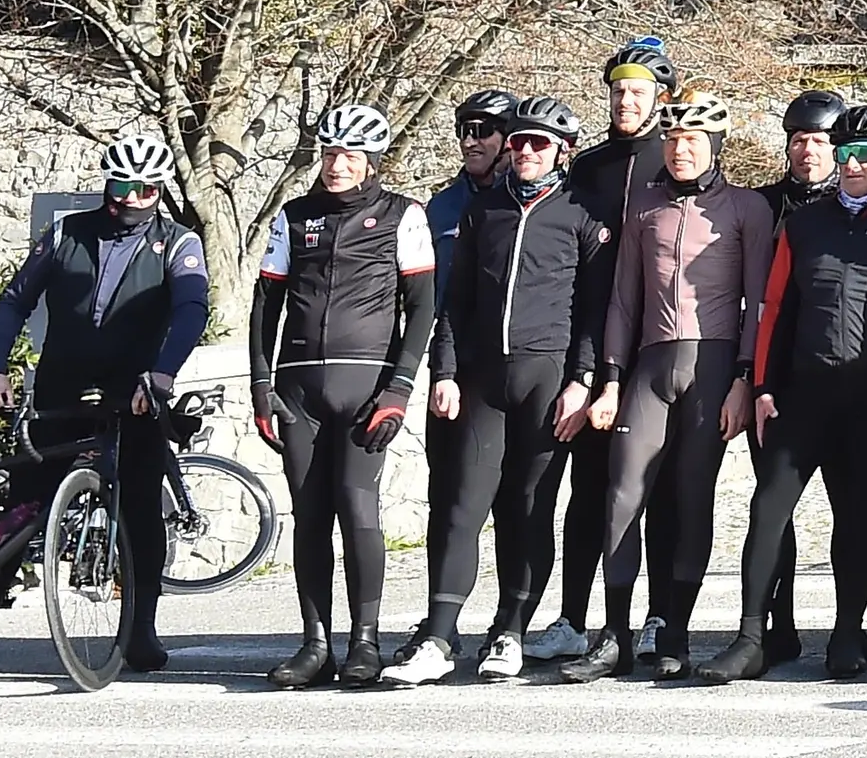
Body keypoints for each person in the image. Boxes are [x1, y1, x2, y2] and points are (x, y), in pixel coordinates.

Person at [0, 131, 213, 680]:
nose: (130, 198)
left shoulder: (179, 242)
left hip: (136, 389)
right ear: (106, 184)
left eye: (144, 188)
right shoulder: (68, 231)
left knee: (140, 507)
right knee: (23, 507)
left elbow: (191, 308)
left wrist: (162, 373)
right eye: (121, 185)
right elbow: (16, 299)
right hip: (61, 385)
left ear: (160, 189)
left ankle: (141, 629)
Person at [390, 95, 609, 684]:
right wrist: (446, 372)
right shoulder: (482, 210)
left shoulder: (582, 213)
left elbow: (595, 311)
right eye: (518, 142)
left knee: (528, 509)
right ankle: (438, 637)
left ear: (563, 151)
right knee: (463, 504)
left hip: (548, 378)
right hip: (481, 379)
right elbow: (453, 303)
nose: (526, 151)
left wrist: (582, 381)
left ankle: (510, 628)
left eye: (539, 143)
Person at [706, 102, 867, 682]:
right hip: (803, 394)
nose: (851, 165)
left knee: (858, 517)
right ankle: (751, 634)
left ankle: (848, 634)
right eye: (844, 154)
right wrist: (764, 385)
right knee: (768, 508)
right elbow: (776, 309)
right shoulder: (803, 224)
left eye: (865, 155)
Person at [572, 85, 771, 682]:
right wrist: (609, 380)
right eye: (674, 138)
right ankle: (614, 634)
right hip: (650, 366)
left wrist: (744, 378)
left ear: (715, 145)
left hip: (714, 370)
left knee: (689, 498)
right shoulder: (646, 211)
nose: (680, 149)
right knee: (622, 491)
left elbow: (759, 302)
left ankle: (673, 631)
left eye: (693, 140)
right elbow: (622, 305)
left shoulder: (746, 209)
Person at [249, 102, 437, 689]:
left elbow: (424, 307)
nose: (337, 165)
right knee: (309, 516)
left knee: (358, 512)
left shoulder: (403, 214)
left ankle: (365, 641)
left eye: (351, 155)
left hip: (366, 388)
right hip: (298, 386)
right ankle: (313, 643)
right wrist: (261, 386)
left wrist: (399, 388)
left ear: (372, 161)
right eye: (329, 153)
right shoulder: (293, 214)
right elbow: (265, 307)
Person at [543, 39, 672, 662]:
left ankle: (657, 615)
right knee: (588, 488)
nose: (626, 99)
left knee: (655, 486)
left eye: (639, 90)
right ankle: (572, 615)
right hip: (593, 331)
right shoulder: (587, 167)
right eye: (619, 90)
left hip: (659, 339)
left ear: (660, 98)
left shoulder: (671, 159)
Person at [742, 88, 848, 667]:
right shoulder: (763, 207)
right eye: (800, 139)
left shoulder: (854, 204)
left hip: (841, 376)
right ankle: (773, 623)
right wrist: (751, 378)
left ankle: (845, 627)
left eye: (823, 140)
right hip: (776, 374)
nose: (810, 150)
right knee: (772, 507)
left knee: (849, 509)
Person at [421, 92, 510, 610]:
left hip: (511, 362)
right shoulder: (443, 205)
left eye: (483, 130)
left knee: (513, 501)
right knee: (447, 497)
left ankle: (508, 620)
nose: (470, 141)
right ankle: (440, 616)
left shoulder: (524, 199)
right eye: (464, 130)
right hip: (451, 363)